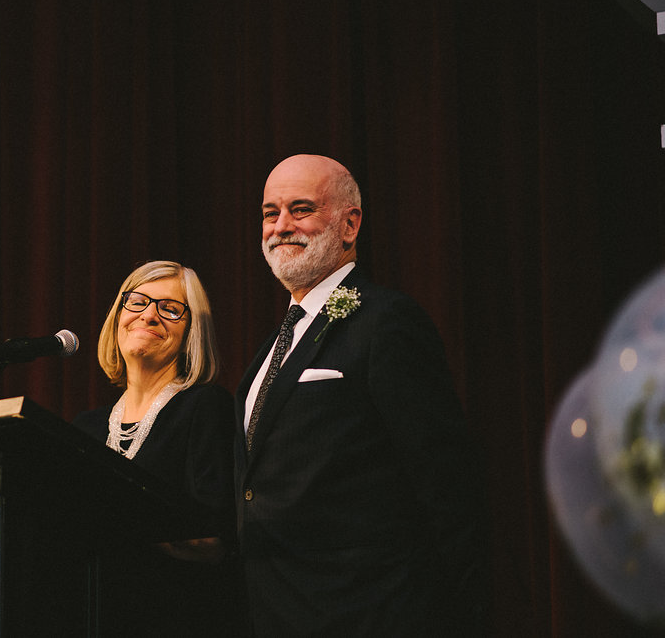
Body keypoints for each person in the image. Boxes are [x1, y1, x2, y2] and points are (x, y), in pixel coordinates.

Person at [236, 155, 486, 636]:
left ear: (349, 224)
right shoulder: (272, 346)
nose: (281, 226)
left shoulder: (386, 321)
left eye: (301, 209)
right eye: (270, 213)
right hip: (273, 612)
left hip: (368, 613)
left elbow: (446, 480)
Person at [73, 260, 247, 637]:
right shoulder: (84, 428)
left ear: (191, 333)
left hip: (175, 619)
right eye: (137, 302)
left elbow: (214, 539)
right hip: (95, 618)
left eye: (170, 309)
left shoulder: (204, 407)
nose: (149, 316)